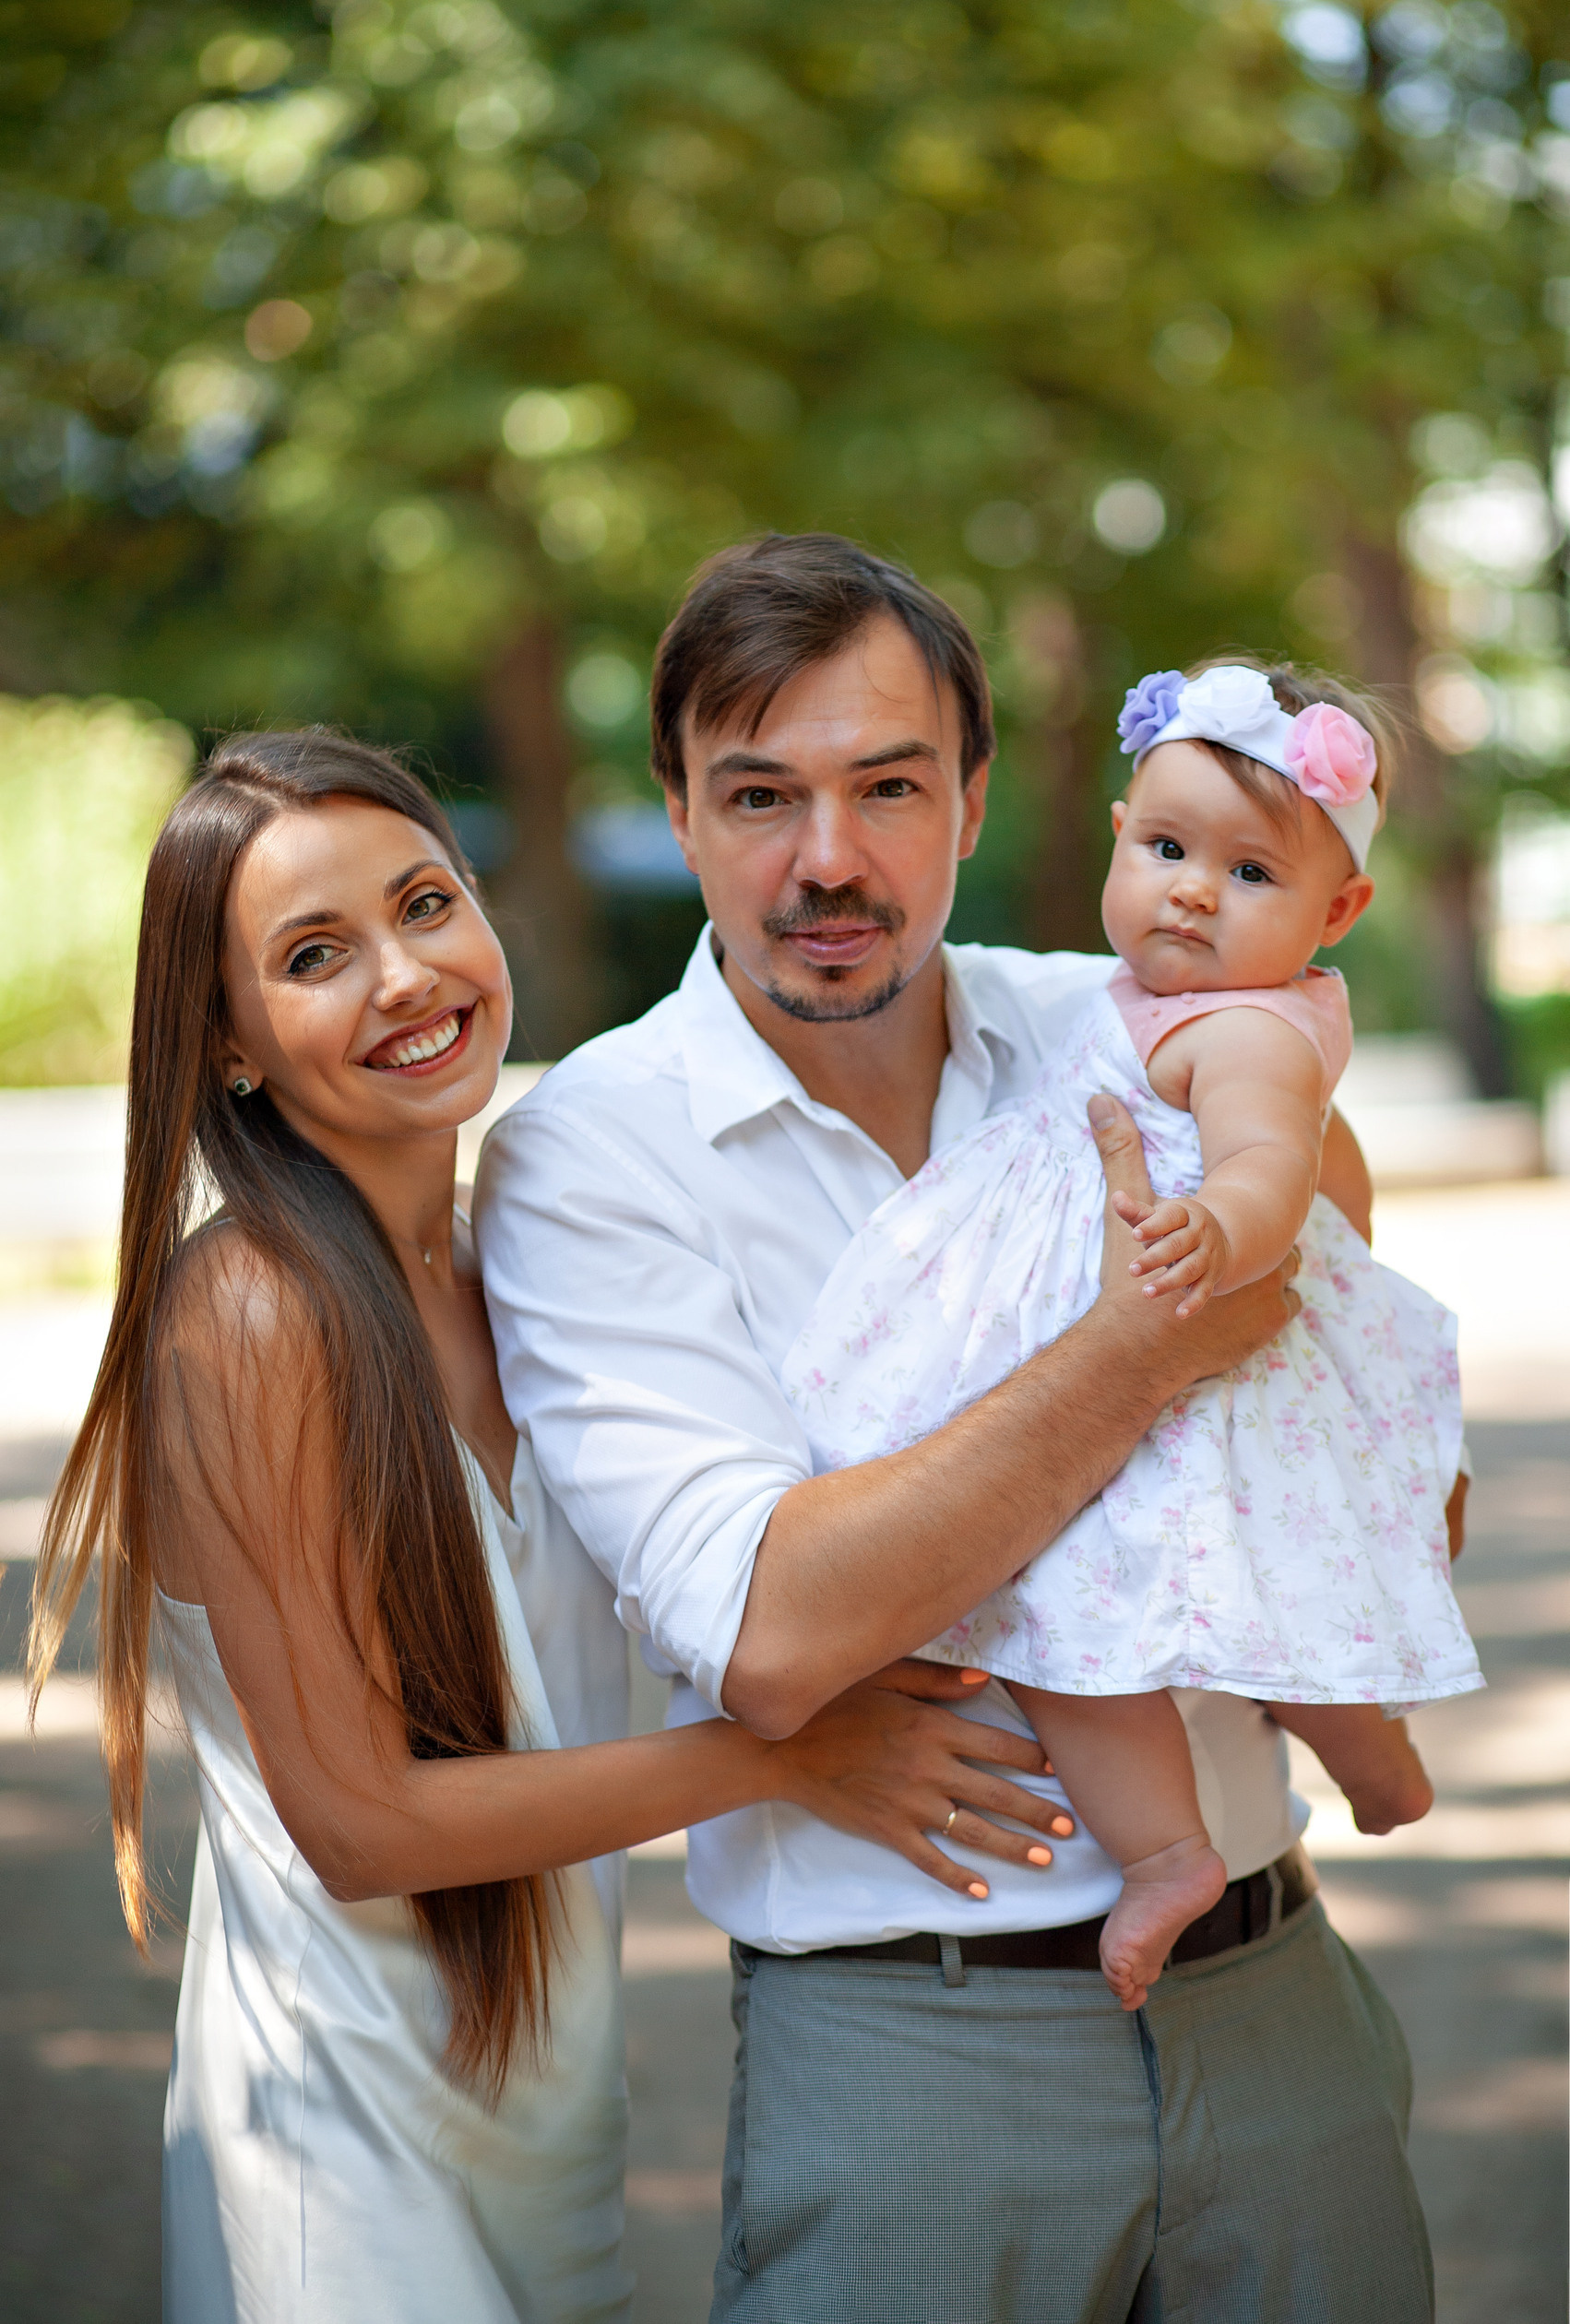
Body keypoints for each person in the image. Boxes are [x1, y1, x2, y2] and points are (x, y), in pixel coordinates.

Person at [476, 534, 1437, 2320]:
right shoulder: (589, 1152)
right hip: (913, 2037)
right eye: (757, 792)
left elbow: (1361, 1397)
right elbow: (776, 1630)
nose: (824, 859)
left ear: (972, 800)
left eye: (885, 786)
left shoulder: (1112, 1014)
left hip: (1274, 1991)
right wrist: (1147, 1346)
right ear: (676, 810)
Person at [28, 729, 1071, 2324]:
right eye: (316, 956)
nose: (404, 974)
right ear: (229, 1042)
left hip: (545, 2116)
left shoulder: (520, 1250)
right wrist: (780, 1757)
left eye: (426, 904)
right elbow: (359, 1823)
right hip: (338, 2137)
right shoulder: (250, 1316)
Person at [783, 653, 1481, 2010]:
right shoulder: (1130, 999)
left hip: (1185, 1347)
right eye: (1165, 847)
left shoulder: (1245, 1036)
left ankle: (1165, 1854)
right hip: (1166, 1346)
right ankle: (1375, 1762)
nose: (1192, 891)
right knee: (1267, 1586)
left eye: (1251, 876)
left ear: (1337, 909)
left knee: (1065, 1618)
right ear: (1118, 835)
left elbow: (1273, 1165)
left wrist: (1220, 1226)